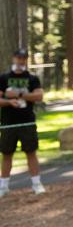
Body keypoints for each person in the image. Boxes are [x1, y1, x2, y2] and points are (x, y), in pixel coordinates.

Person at [0, 48, 45, 196]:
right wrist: (9, 101)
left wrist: (20, 94)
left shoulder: (32, 79)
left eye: (23, 58)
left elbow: (39, 96)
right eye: (18, 58)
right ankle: (4, 186)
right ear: (13, 58)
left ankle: (37, 184)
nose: (20, 61)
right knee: (7, 154)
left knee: (31, 152)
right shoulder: (4, 78)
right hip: (8, 122)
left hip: (27, 122)